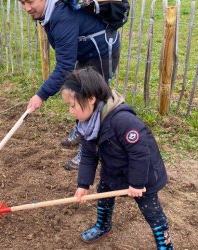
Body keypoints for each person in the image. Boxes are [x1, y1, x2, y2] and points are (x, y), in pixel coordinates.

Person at [60, 67, 174, 249]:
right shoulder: (86, 124)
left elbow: (140, 153)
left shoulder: (122, 120)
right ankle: (103, 225)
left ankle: (165, 243)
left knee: (151, 211)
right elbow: (89, 155)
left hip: (143, 175)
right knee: (103, 195)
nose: (70, 110)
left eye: (72, 105)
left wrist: (137, 183)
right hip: (114, 169)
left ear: (91, 98)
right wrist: (83, 184)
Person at [19, 0, 121, 170]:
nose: (27, 8)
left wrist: (41, 95)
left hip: (101, 51)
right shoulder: (49, 12)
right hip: (85, 51)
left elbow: (65, 66)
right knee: (75, 90)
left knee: (91, 101)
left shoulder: (61, 16)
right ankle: (81, 130)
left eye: (30, 1)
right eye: (22, 3)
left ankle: (88, 149)